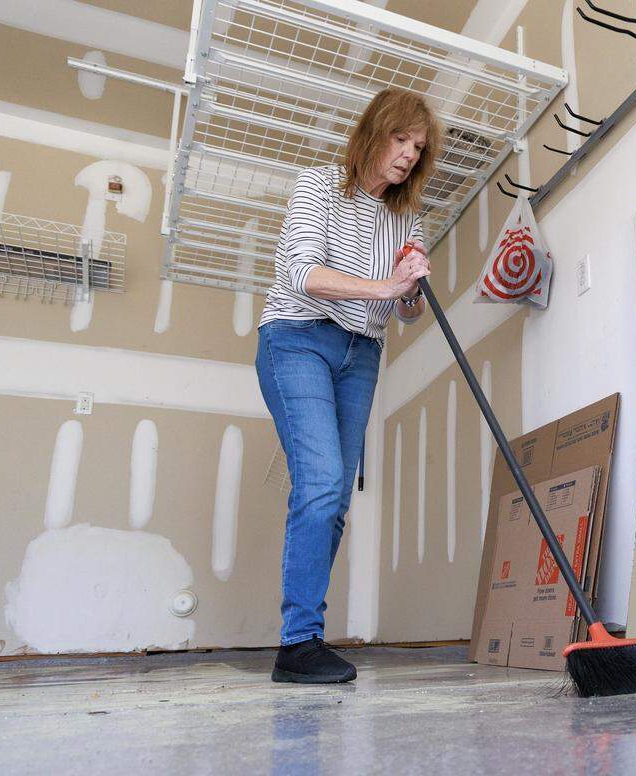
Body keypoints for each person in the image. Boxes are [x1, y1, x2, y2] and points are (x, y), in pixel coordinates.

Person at [256, 89, 441, 683]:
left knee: (334, 499)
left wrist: (409, 287)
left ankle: (304, 641)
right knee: (321, 481)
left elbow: (406, 312)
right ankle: (299, 643)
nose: (409, 155)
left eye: (418, 147)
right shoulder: (317, 185)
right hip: (299, 338)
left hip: (361, 354)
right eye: (401, 139)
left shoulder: (406, 218)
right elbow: (304, 274)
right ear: (375, 131)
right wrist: (388, 287)